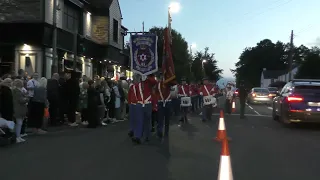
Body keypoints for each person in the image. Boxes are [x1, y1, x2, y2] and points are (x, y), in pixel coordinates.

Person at [132, 74, 157, 144]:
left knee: (147, 121)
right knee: (139, 120)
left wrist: (147, 77)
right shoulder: (137, 85)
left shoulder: (149, 83)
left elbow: (155, 82)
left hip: (148, 104)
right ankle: (138, 136)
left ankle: (147, 136)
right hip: (139, 104)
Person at [155, 72, 172, 138]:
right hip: (161, 102)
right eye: (161, 76)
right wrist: (158, 98)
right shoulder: (158, 84)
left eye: (164, 76)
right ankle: (160, 131)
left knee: (167, 118)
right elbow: (156, 92)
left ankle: (166, 131)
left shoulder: (168, 84)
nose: (163, 77)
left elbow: (172, 90)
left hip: (168, 102)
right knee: (160, 118)